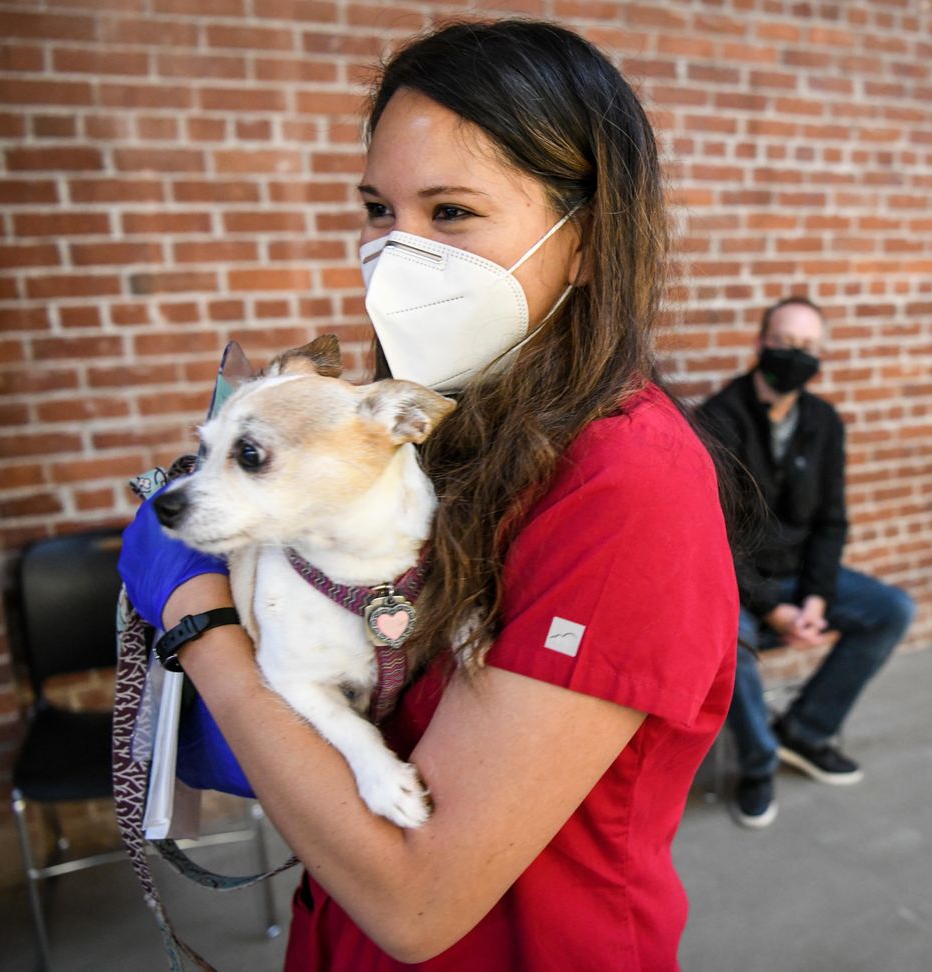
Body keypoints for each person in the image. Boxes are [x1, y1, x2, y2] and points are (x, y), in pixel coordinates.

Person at [118, 19, 737, 971]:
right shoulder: (449, 424)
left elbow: (419, 903)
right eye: (378, 210)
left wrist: (200, 624)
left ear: (589, 238)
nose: (394, 255)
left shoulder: (627, 484)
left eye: (450, 213)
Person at [697, 296, 914, 829]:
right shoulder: (717, 421)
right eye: (788, 343)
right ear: (760, 344)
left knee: (891, 609)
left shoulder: (823, 421)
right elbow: (714, 541)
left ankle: (807, 731)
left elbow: (830, 523)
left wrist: (815, 598)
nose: (799, 355)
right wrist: (773, 611)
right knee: (733, 643)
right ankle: (758, 762)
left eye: (810, 347)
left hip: (801, 578)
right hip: (737, 583)